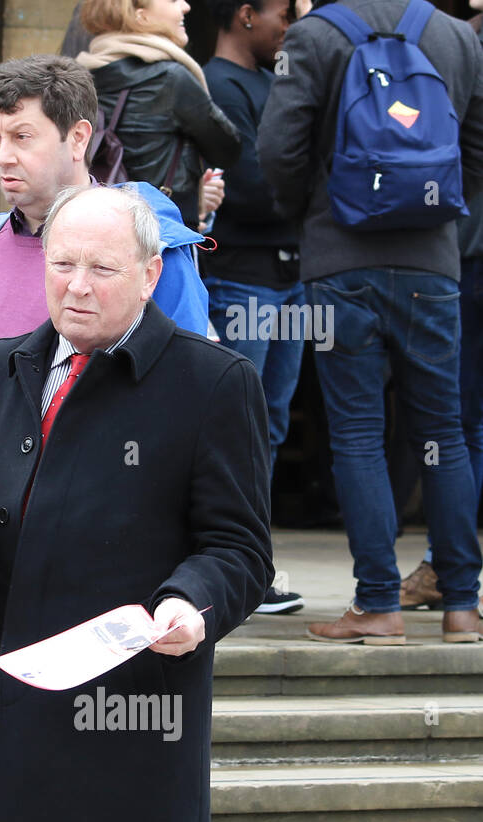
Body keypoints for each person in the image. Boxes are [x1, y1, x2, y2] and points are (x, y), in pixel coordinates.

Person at [0, 185, 273, 822]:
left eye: (101, 269)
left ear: (150, 273)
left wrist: (191, 603)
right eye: (62, 263)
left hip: (126, 737)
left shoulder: (214, 384)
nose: (75, 286)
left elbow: (238, 548)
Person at [260, 0, 483, 644]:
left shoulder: (315, 35)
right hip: (434, 266)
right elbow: (476, 147)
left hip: (339, 263)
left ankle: (380, 604)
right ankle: (461, 606)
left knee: (358, 434)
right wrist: (437, 216)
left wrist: (310, 209)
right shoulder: (455, 37)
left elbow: (279, 146)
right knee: (444, 432)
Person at [0, 55, 208, 475]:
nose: (2, 156)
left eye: (22, 137)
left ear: (77, 138)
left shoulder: (149, 243)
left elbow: (187, 384)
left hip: (94, 504)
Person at [204, 0, 306, 615]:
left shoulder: (275, 81)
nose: (290, 28)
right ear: (245, 15)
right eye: (283, 15)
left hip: (290, 280)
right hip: (242, 280)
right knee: (239, 428)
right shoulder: (216, 85)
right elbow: (250, 191)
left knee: (269, 425)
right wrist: (317, 188)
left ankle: (252, 566)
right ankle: (236, 566)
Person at [400, 0, 483, 614]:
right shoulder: (463, 37)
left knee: (457, 421)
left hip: (461, 252)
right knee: (464, 422)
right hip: (457, 253)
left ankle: (447, 574)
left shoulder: (456, 38)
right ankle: (453, 580)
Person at [77, 0, 241, 231]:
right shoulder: (171, 78)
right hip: (163, 230)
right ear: (140, 16)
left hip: (95, 224)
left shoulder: (79, 77)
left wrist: (198, 193)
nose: (186, 6)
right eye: (173, 0)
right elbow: (227, 148)